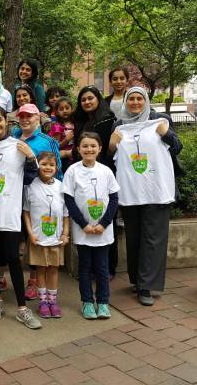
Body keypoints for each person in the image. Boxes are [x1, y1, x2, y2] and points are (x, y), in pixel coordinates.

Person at [108, 86, 182, 307]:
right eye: (131, 99)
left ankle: (147, 286)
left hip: (156, 190)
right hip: (130, 191)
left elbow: (177, 147)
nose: (136, 102)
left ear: (146, 100)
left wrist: (165, 134)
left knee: (153, 238)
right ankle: (137, 279)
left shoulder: (159, 120)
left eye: (140, 98)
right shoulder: (120, 125)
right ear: (126, 102)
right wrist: (112, 144)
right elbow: (111, 154)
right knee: (134, 236)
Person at [0, 106, 41, 329]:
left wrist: (32, 158)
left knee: (13, 258)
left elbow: (32, 177)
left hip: (10, 213)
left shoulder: (18, 146)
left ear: (7, 121)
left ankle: (22, 308)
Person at [64, 132, 120, 319]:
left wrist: (104, 224)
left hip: (103, 231)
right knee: (85, 267)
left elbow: (113, 199)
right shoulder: (72, 171)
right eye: (85, 146)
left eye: (93, 146)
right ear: (78, 149)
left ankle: (103, 303)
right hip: (83, 231)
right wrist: (83, 224)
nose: (89, 149)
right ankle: (87, 302)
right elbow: (69, 201)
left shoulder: (106, 171)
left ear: (100, 148)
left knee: (103, 268)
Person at [12, 103, 62, 300]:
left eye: (30, 116)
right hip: (13, 195)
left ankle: (33, 280)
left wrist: (60, 194)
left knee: (35, 237)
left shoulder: (47, 141)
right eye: (22, 115)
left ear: (38, 119)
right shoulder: (12, 137)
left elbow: (57, 167)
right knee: (18, 237)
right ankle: (3, 278)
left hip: (39, 197)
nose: (25, 119)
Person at [71, 86, 118, 275]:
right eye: (83, 100)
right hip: (83, 174)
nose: (87, 102)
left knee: (106, 219)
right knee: (87, 217)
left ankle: (108, 269)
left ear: (98, 99)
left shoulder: (108, 120)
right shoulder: (81, 122)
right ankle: (89, 269)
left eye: (90, 98)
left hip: (103, 173)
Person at [23, 152, 69, 319]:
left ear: (56, 168)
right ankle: (42, 302)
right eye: (43, 164)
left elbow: (65, 214)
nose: (47, 168)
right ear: (37, 166)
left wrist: (65, 233)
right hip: (39, 238)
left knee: (54, 270)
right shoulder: (30, 187)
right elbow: (26, 213)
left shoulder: (61, 187)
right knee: (41, 270)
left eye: (51, 165)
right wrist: (30, 234)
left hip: (56, 239)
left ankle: (52, 301)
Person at [49, 97, 76, 163]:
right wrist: (66, 140)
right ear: (57, 112)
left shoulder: (75, 123)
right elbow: (55, 146)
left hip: (75, 155)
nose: (65, 111)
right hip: (64, 159)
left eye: (67, 108)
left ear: (72, 109)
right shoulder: (57, 127)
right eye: (61, 109)